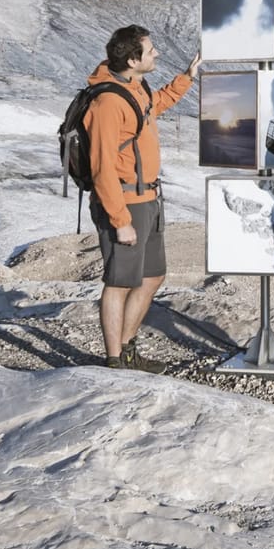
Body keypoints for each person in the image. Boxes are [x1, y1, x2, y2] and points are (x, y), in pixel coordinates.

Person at [85, 24, 200, 373]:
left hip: (148, 198)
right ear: (133, 59)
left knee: (152, 276)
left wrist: (187, 78)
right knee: (119, 282)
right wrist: (120, 222)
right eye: (151, 51)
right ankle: (114, 361)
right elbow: (102, 168)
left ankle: (126, 347)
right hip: (125, 202)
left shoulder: (135, 87)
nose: (157, 54)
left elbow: (155, 106)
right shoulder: (107, 103)